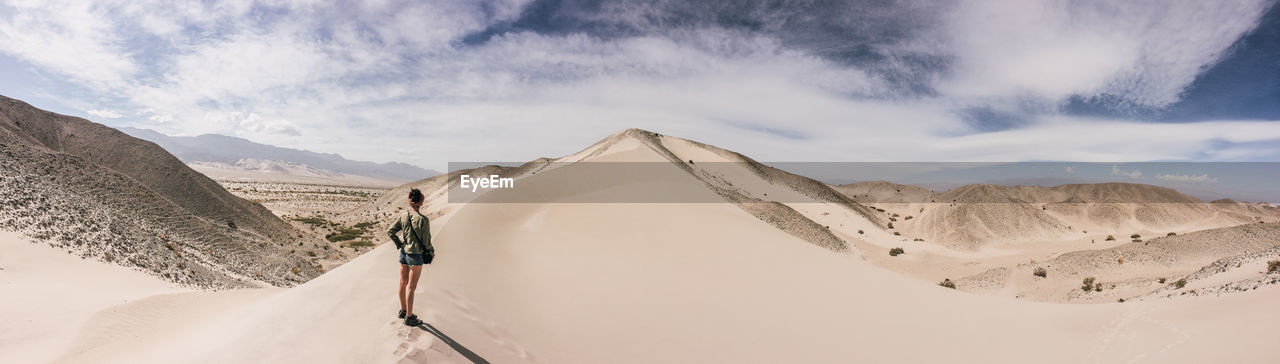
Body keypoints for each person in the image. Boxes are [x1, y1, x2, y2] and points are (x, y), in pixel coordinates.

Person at [388, 188, 434, 326]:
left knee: (402, 282)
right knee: (411, 287)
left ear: (409, 200)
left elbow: (390, 231)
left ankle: (403, 310)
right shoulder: (423, 220)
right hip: (415, 255)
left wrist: (399, 244)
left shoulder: (403, 216)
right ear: (421, 202)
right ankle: (409, 317)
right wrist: (431, 251)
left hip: (404, 252)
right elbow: (426, 241)